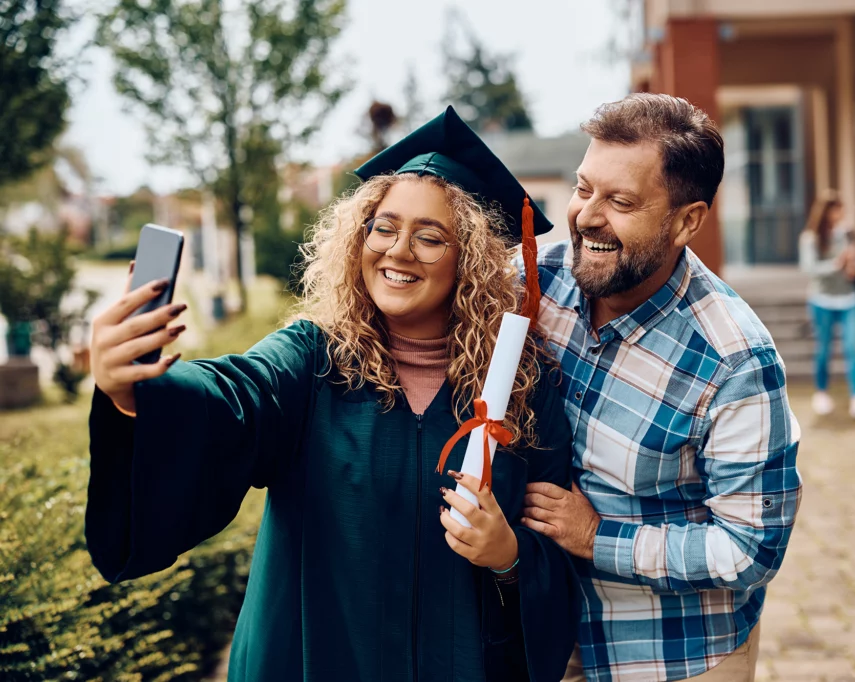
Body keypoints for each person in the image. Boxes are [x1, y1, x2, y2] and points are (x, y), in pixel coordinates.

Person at [85, 107, 580, 682]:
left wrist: (508, 557)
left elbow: (553, 552)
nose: (397, 251)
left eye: (430, 237)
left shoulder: (522, 389)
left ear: (469, 260)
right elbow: (237, 394)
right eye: (384, 227)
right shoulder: (314, 361)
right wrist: (136, 390)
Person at [521, 93, 802, 681]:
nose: (586, 216)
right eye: (582, 188)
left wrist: (598, 538)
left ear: (686, 221)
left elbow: (750, 550)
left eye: (620, 201)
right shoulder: (536, 282)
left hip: (672, 655)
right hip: (544, 639)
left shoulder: (736, 361)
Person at [798, 191, 855, 419]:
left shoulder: (848, 234)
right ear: (825, 211)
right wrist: (836, 264)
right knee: (824, 349)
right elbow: (810, 269)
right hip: (822, 300)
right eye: (836, 209)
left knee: (852, 347)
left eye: (841, 209)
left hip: (850, 299)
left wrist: (853, 268)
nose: (839, 214)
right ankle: (821, 393)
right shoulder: (810, 237)